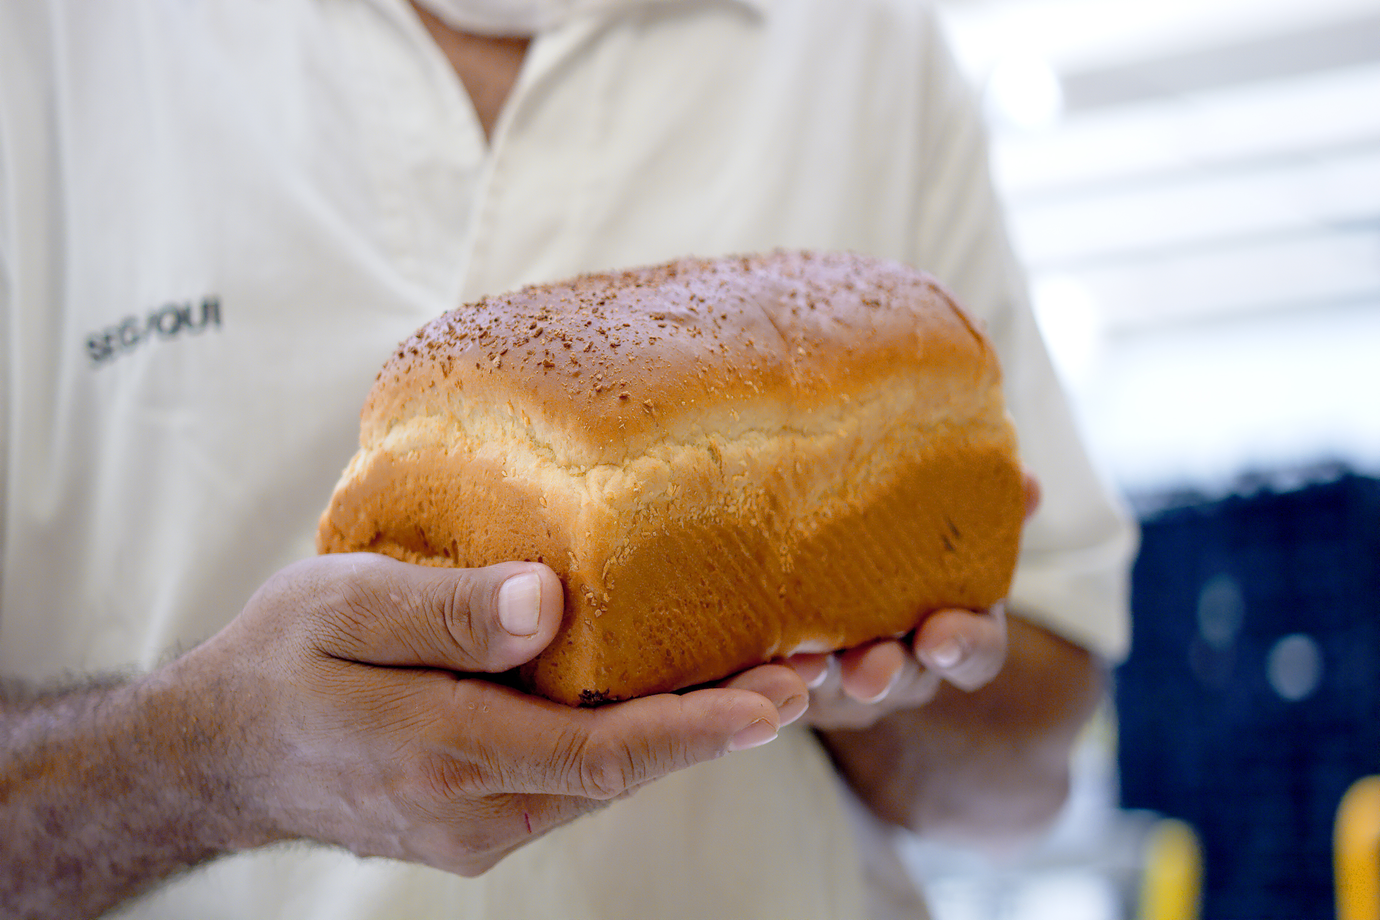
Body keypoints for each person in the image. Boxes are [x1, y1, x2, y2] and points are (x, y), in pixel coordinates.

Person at [0, 1, 1137, 918]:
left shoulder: (863, 46)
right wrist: (208, 761)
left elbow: (1034, 768)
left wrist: (871, 684)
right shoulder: (48, 49)